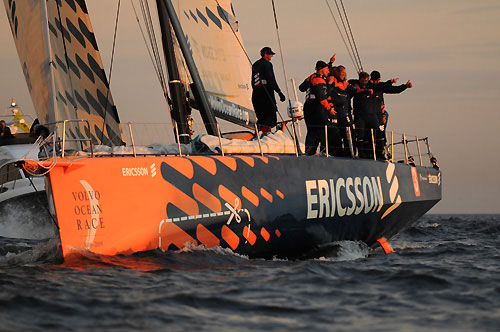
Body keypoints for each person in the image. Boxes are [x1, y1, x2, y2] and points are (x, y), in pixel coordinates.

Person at [370, 70, 413, 159]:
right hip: (371, 113)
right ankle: (377, 146)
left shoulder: (382, 86)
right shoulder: (370, 86)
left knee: (385, 116)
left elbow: (394, 90)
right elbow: (380, 86)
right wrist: (390, 82)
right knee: (376, 129)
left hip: (380, 114)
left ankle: (382, 144)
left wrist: (404, 86)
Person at [301, 60, 337, 155]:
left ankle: (309, 151)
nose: (328, 72)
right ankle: (324, 150)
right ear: (321, 69)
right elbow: (322, 98)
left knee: (312, 130)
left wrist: (330, 63)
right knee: (323, 128)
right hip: (316, 108)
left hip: (308, 108)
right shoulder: (319, 81)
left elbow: (302, 87)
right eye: (326, 69)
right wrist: (330, 109)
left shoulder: (312, 77)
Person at [251, 47, 286, 134]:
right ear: (265, 54)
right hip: (266, 95)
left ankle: (258, 136)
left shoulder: (255, 65)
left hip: (256, 95)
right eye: (270, 54)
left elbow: (252, 82)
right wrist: (279, 92)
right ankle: (266, 136)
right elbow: (271, 79)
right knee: (270, 116)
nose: (271, 56)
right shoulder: (267, 64)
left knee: (261, 118)